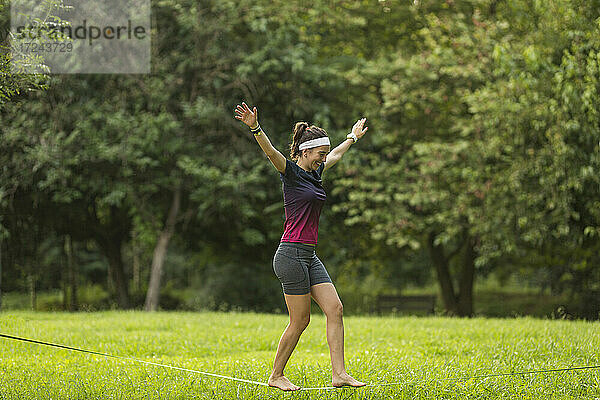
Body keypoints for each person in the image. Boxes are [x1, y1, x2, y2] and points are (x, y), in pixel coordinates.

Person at [234, 102, 369, 391]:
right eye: (319, 154)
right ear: (305, 152)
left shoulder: (316, 172)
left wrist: (352, 137)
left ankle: (339, 374)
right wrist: (255, 128)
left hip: (309, 255)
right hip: (291, 254)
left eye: (323, 155)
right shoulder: (291, 173)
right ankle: (276, 375)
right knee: (301, 320)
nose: (322, 159)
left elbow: (334, 155)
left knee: (335, 309)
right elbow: (271, 152)